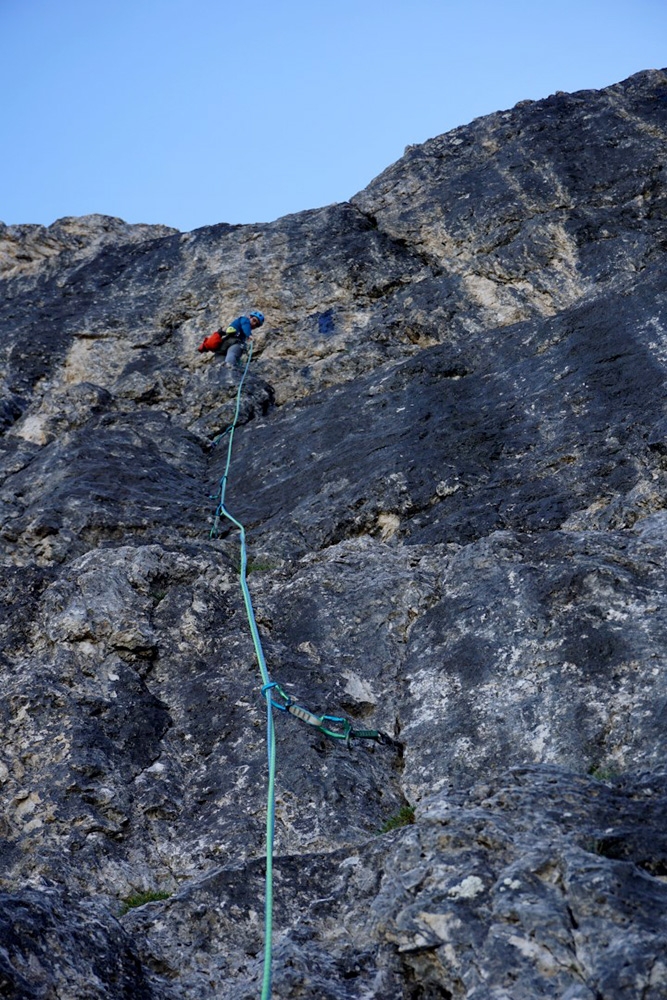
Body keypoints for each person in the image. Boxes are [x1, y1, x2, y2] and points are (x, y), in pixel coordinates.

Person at [197, 311, 265, 367]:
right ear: (250, 317)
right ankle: (229, 369)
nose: (254, 324)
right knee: (232, 356)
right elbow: (245, 326)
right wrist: (249, 335)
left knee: (219, 364)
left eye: (257, 325)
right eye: (254, 320)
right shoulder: (244, 319)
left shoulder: (238, 324)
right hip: (234, 342)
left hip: (224, 345)